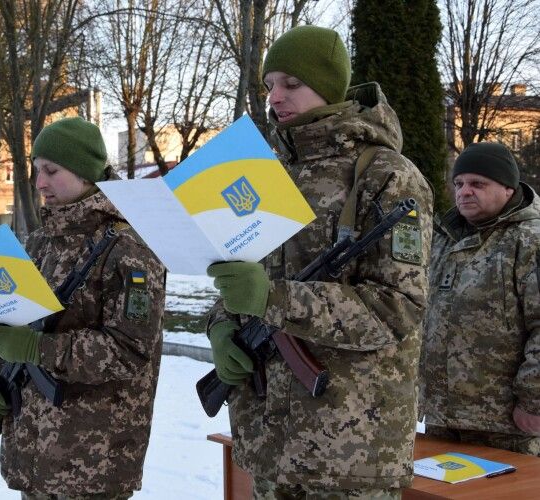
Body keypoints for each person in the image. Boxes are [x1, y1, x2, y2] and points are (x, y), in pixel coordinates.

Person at [205, 25, 433, 498]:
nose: (276, 97)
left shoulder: (387, 176)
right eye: (269, 85)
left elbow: (398, 309)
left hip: (350, 452)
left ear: (329, 86)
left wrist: (274, 300)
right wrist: (223, 325)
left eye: (291, 83)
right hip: (269, 444)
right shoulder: (265, 175)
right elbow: (243, 278)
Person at [0, 117, 166, 499]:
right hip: (34, 457)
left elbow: (130, 351)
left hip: (92, 465)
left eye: (51, 170)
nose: (39, 182)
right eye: (35, 170)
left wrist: (37, 350)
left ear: (83, 173)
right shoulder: (38, 244)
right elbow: (15, 327)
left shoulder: (130, 248)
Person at [420, 141, 540, 455]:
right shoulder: (443, 238)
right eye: (458, 184)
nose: (464, 192)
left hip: (506, 425)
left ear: (508, 190)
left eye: (478, 184)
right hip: (440, 417)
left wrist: (534, 401)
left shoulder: (529, 241)